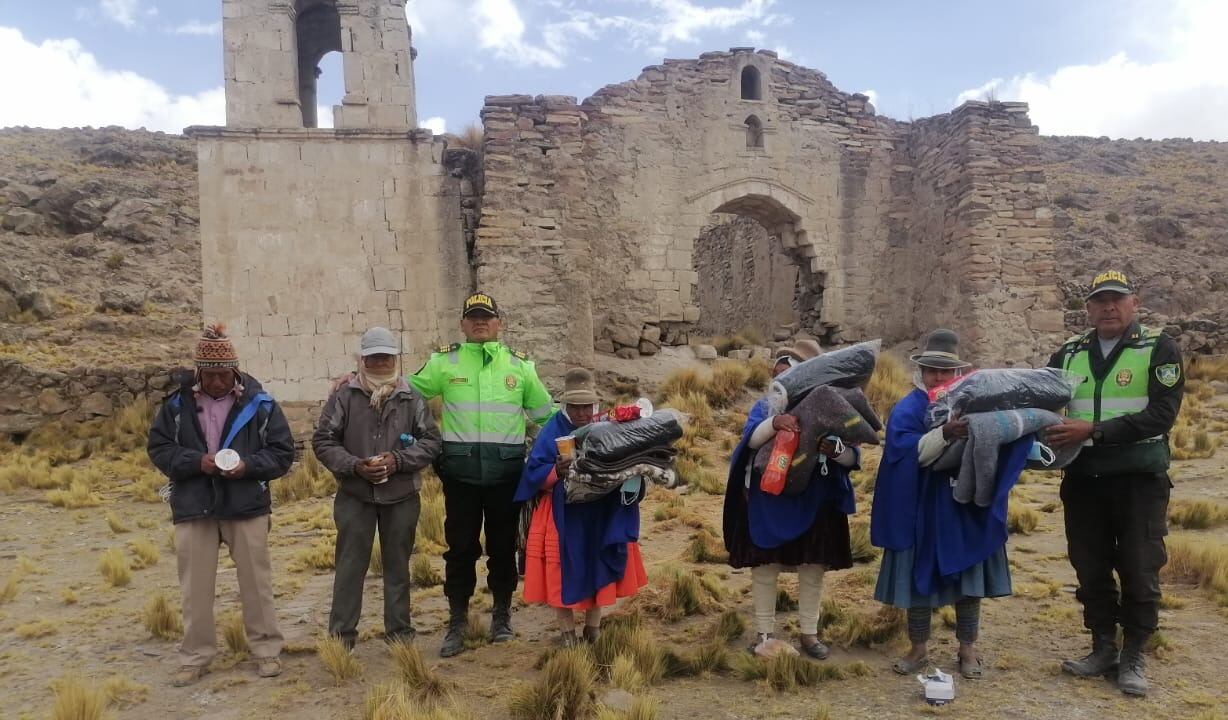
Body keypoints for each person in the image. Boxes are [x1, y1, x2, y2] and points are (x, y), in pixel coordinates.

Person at [1046, 271, 1184, 697]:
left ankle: (1134, 654)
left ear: (1134, 303)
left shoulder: (1159, 347)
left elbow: (1162, 415)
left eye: (1117, 299)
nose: (1108, 307)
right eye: (1100, 300)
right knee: (1090, 566)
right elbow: (1042, 403)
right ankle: (1102, 646)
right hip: (1085, 480)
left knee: (1141, 570)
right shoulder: (1068, 353)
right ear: (1088, 307)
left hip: (1139, 480)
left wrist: (1094, 431)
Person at [147, 324, 294, 687]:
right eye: (210, 375)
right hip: (194, 506)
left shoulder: (261, 405)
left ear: (235, 370)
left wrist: (247, 466)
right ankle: (195, 655)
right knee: (194, 587)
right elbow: (159, 449)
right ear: (198, 371)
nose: (216, 382)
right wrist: (197, 462)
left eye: (223, 375)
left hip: (245, 505)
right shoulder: (177, 405)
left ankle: (265, 651)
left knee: (256, 583)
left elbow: (281, 454)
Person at [410, 292, 555, 657]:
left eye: (486, 317)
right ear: (462, 323)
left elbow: (546, 416)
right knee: (460, 550)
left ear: (498, 323)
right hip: (460, 477)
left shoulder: (520, 367)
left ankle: (502, 616)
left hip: (506, 477)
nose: (480, 322)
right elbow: (405, 395)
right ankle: (457, 622)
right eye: (473, 316)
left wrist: (590, 428)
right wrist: (423, 439)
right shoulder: (445, 363)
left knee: (504, 549)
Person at [870, 329, 1019, 680]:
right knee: (918, 578)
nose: (939, 376)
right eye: (933, 369)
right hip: (920, 507)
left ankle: (968, 648)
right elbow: (904, 451)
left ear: (957, 373)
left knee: (968, 576)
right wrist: (944, 435)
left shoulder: (975, 402)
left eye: (946, 371)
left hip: (962, 505)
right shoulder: (908, 408)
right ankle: (918, 649)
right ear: (921, 370)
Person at [723, 339, 857, 659]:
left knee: (812, 567)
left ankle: (809, 633)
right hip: (770, 498)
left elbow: (852, 457)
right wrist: (773, 424)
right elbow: (750, 441)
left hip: (815, 500)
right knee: (765, 565)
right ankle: (765, 633)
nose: (781, 376)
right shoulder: (766, 407)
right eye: (779, 371)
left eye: (790, 370)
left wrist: (835, 450)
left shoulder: (833, 410)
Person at [313, 327, 443, 650]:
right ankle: (341, 638)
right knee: (349, 567)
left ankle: (399, 632)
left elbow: (431, 441)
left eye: (387, 355)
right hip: (355, 496)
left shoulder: (411, 397)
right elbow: (323, 440)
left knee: (398, 566)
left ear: (395, 357)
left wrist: (398, 461)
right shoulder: (345, 396)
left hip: (401, 497)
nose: (381, 362)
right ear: (364, 359)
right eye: (374, 356)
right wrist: (355, 466)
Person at [515, 368, 649, 645]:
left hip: (598, 511)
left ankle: (593, 628)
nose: (582, 414)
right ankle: (567, 633)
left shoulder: (606, 425)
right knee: (560, 570)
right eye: (575, 407)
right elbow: (534, 473)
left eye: (587, 407)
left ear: (595, 405)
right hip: (562, 512)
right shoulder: (553, 429)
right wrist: (557, 469)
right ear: (566, 406)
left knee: (596, 561)